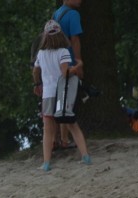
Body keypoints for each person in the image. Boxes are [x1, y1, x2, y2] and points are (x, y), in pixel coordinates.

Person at [33, 20, 90, 172]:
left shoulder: (41, 53)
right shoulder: (63, 52)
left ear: (45, 36)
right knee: (72, 125)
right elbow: (64, 73)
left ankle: (46, 163)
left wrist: (37, 84)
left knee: (48, 129)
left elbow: (35, 71)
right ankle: (85, 156)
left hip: (47, 95)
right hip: (62, 93)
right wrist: (77, 67)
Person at [53, 0, 84, 150]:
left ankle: (62, 138)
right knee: (67, 101)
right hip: (69, 62)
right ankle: (65, 139)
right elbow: (75, 39)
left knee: (61, 99)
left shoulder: (57, 13)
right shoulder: (73, 14)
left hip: (58, 63)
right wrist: (78, 63)